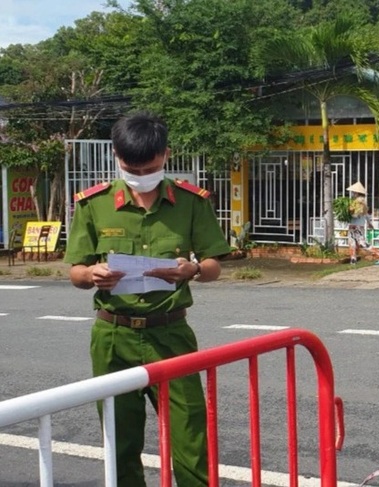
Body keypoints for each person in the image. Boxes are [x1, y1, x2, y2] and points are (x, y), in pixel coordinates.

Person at [64, 112, 231, 486]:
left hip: (170, 333)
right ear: (116, 157)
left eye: (150, 167)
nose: (140, 174)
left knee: (190, 439)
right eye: (131, 167)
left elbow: (213, 264)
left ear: (166, 155)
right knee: (120, 442)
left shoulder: (191, 202)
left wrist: (192, 270)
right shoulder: (94, 204)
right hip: (113, 338)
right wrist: (92, 275)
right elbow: (75, 272)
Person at [346, 181, 379, 265]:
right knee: (352, 243)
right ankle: (353, 260)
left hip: (356, 226)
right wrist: (369, 223)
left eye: (353, 192)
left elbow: (356, 215)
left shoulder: (358, 202)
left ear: (357, 193)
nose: (352, 193)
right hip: (357, 225)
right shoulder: (362, 202)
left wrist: (349, 211)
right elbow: (366, 214)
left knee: (362, 243)